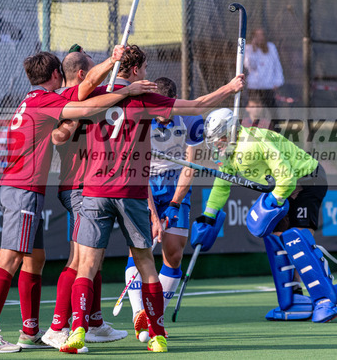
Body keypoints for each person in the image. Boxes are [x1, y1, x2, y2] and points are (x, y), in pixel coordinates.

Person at [60, 45, 245, 354]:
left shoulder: (95, 94)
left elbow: (80, 92)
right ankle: (157, 335)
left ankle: (77, 328)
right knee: (146, 261)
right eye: (145, 68)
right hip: (130, 190)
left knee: (87, 265)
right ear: (135, 70)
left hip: (94, 189)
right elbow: (196, 106)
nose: (147, 74)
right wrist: (230, 87)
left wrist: (111, 65)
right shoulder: (144, 98)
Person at [0, 51, 156, 354]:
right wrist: (126, 89)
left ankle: (31, 331)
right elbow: (87, 103)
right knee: (12, 259)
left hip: (25, 187)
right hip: (24, 187)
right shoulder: (47, 101)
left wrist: (112, 66)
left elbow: (84, 90)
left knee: (36, 259)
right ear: (56, 74)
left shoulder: (35, 98)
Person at [197, 108, 337, 324]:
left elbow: (286, 176)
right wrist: (209, 216)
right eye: (213, 140)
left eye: (220, 138)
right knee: (276, 238)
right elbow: (221, 185)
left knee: (297, 239)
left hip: (307, 179)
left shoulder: (253, 143)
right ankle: (294, 299)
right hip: (281, 188)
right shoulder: (228, 154)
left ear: (232, 131)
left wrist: (274, 200)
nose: (216, 144)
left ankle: (326, 298)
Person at [42, 45, 129, 349]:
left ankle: (94, 322)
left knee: (94, 258)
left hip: (91, 187)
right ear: (82, 75)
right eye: (93, 73)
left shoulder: (87, 98)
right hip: (78, 187)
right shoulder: (67, 101)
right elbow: (57, 137)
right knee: (79, 259)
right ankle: (57, 326)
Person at [124, 77, 204, 340]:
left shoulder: (191, 121)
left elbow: (190, 168)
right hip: (144, 183)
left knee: (174, 252)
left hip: (175, 185)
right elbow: (139, 170)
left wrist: (173, 205)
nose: (163, 118)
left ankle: (154, 316)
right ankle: (138, 313)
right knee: (139, 248)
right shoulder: (139, 121)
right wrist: (153, 214)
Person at [243, 28, 284, 110]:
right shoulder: (248, 48)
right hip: (254, 86)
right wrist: (253, 50)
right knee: (255, 110)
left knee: (272, 110)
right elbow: (249, 66)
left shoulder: (271, 47)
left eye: (262, 35)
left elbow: (277, 65)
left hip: (268, 86)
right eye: (257, 35)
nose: (260, 37)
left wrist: (278, 81)